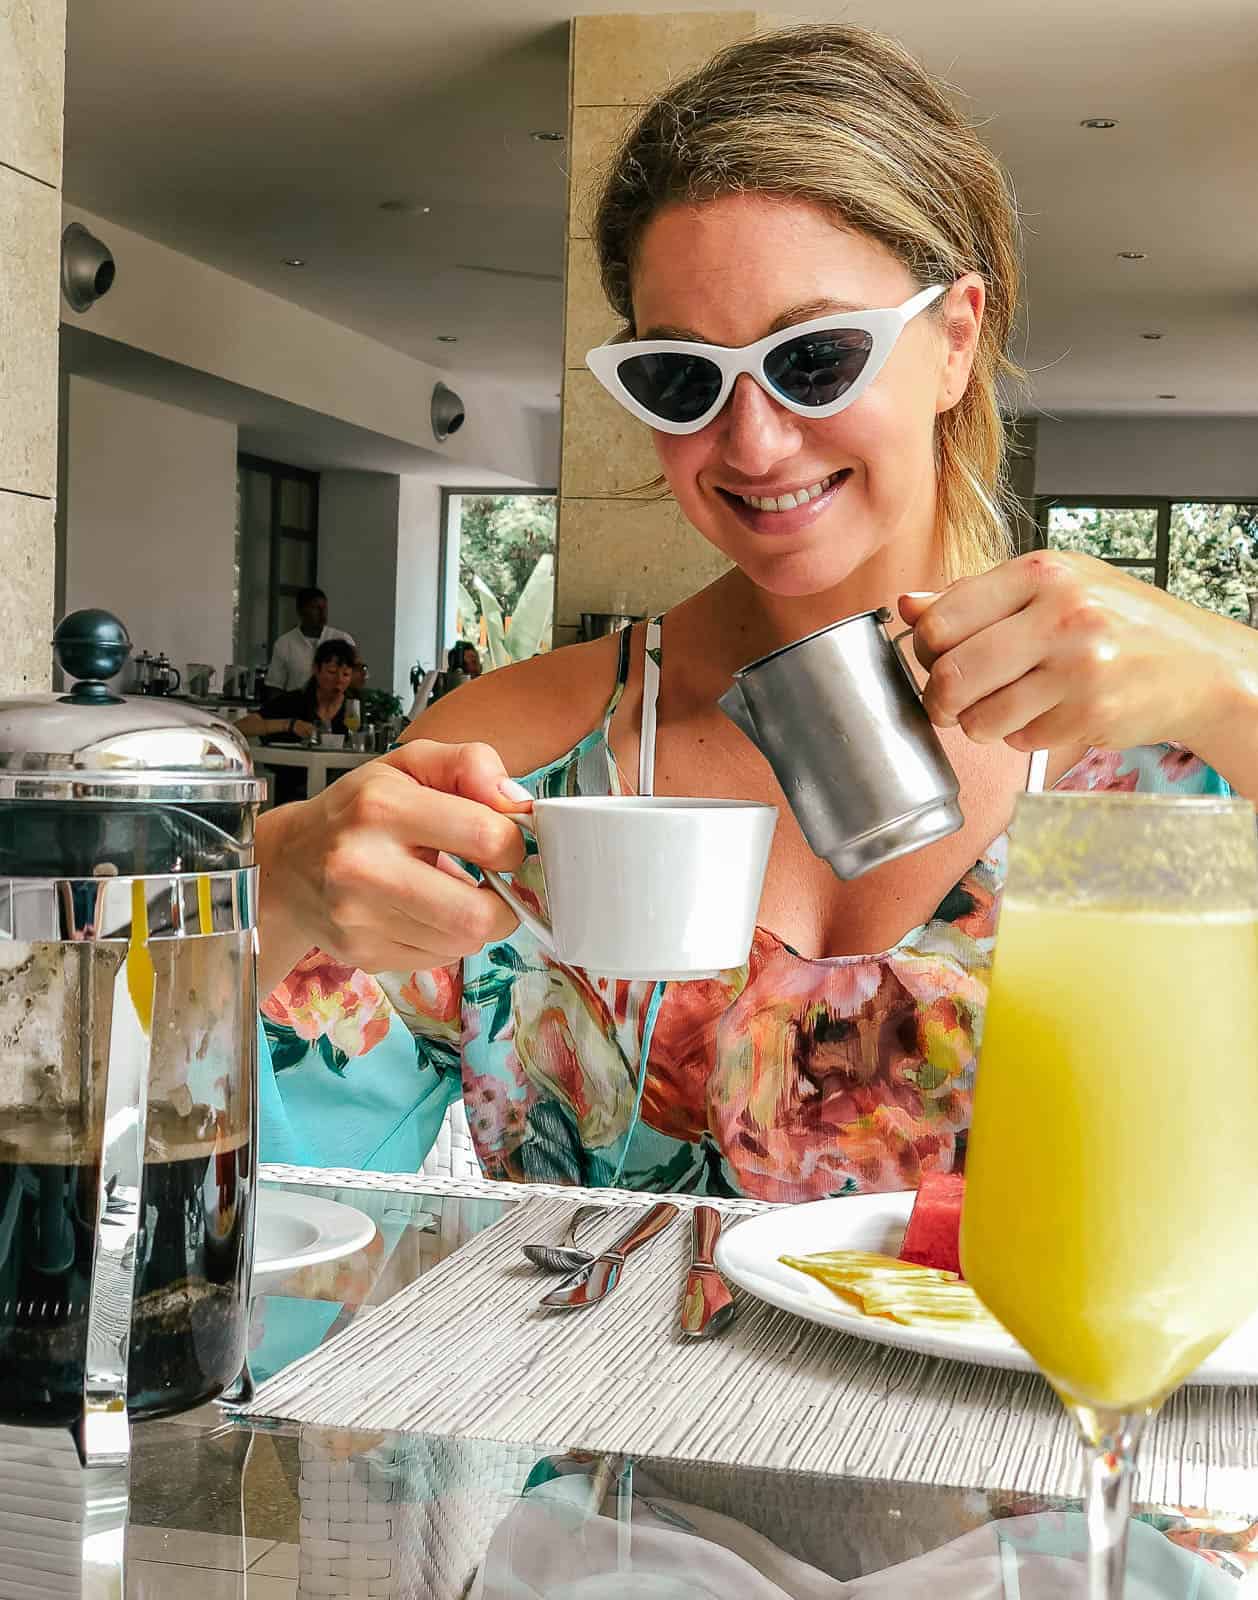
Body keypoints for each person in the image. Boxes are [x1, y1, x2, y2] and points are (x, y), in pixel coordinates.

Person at [251, 25, 1258, 1189]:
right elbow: (227, 1179)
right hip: (596, 1377)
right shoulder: (516, 756)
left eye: (815, 356)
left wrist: (1236, 683)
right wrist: (271, 878)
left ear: (955, 337)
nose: (753, 440)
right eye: (681, 377)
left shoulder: (1177, 752)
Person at [264, 587, 356, 694]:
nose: (322, 614)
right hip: (296, 707)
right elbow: (275, 686)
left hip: (335, 707)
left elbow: (356, 679)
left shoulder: (343, 639)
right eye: (315, 608)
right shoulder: (285, 643)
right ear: (300, 611)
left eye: (324, 608)